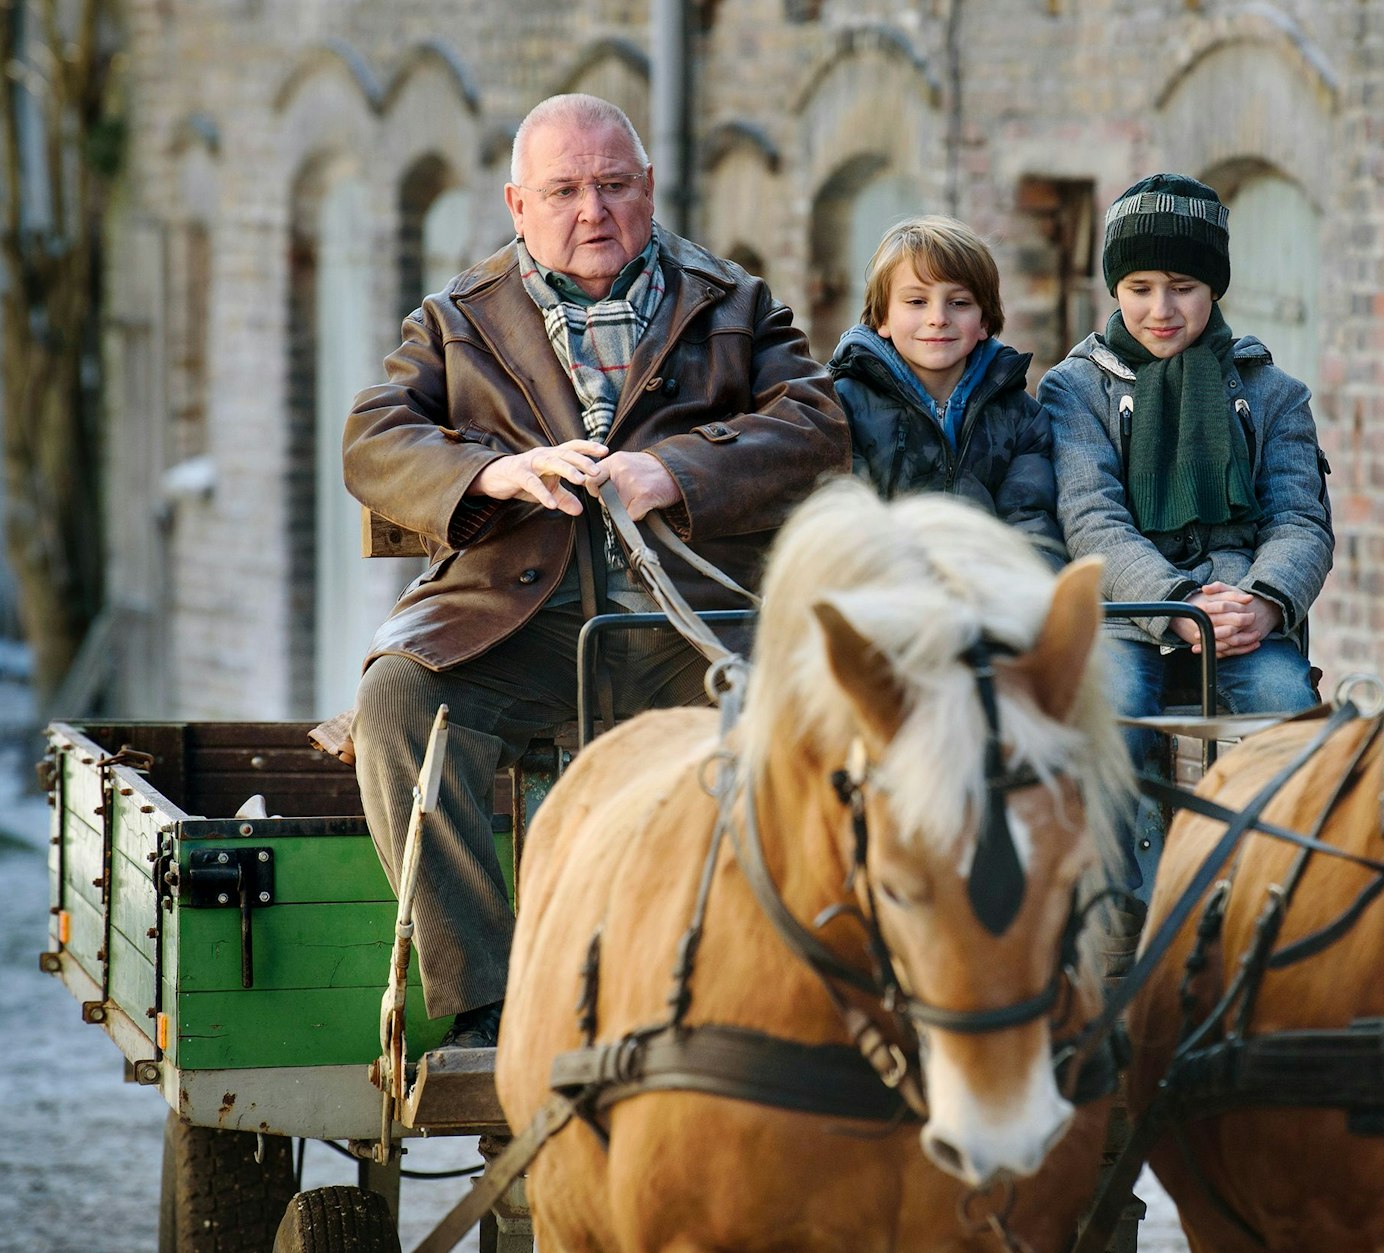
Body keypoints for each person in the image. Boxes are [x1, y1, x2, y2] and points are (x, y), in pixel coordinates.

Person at [342, 94, 848, 1049]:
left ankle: (766, 987)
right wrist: (496, 470)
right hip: (515, 625)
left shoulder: (730, 302)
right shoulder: (458, 318)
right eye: (565, 190)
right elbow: (375, 438)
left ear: (650, 189)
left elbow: (816, 425)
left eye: (614, 186)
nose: (593, 211)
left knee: (816, 725)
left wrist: (675, 472)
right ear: (517, 204)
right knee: (399, 701)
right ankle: (489, 999)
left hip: (690, 628)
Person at [1041, 173, 1333, 894]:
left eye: (1183, 286)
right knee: (1111, 717)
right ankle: (1122, 907)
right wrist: (1176, 604)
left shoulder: (1272, 392)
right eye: (1139, 286)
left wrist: (1263, 602)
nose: (1160, 309)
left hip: (1241, 611)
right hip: (1128, 612)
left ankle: (1274, 894)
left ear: (1215, 288)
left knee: (1288, 712)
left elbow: (1300, 520)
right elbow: (1091, 519)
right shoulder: (1074, 390)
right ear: (1114, 288)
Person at [829, 215, 1061, 555]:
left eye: (959, 302)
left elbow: (1031, 529)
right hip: (882, 589)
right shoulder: (839, 407)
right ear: (882, 318)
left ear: (984, 321)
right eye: (916, 301)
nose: (938, 317)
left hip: (987, 591)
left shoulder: (1021, 418)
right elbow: (847, 527)